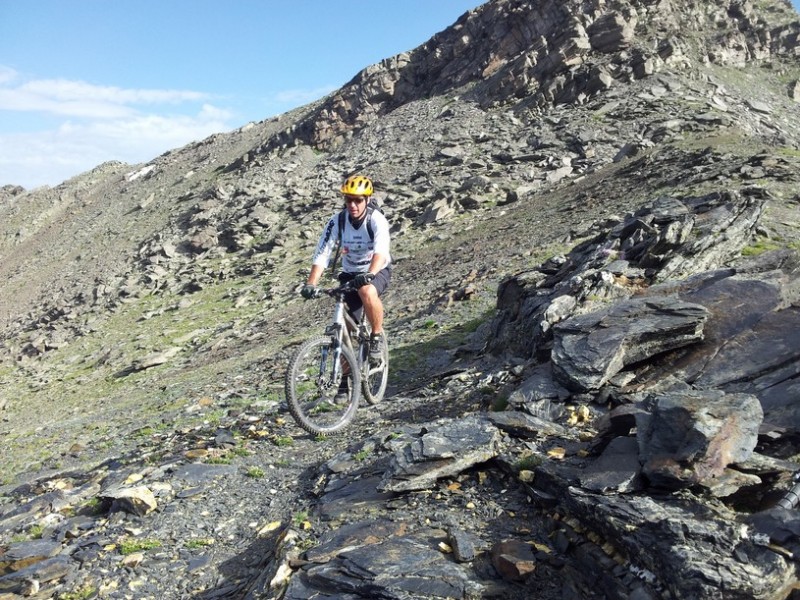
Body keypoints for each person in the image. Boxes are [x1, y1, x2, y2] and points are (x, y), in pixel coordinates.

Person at [300, 174, 392, 367]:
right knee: (342, 331)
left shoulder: (377, 220)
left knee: (366, 290)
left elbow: (381, 252)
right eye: (348, 200)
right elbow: (322, 253)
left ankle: (375, 337)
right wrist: (311, 283)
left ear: (367, 199)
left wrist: (370, 275)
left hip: (375, 270)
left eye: (358, 200)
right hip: (350, 274)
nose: (353, 205)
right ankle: (344, 382)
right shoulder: (338, 221)